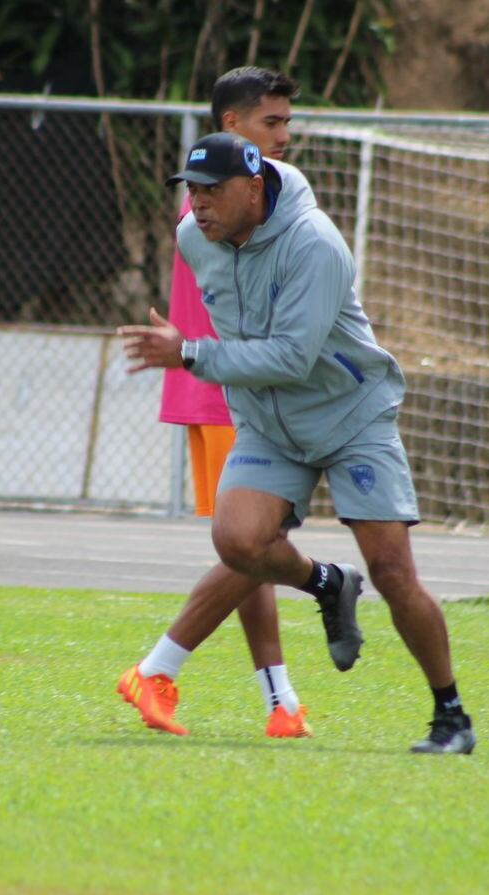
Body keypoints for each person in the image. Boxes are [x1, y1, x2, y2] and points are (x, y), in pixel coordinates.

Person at [116, 132, 476, 754]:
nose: (198, 206)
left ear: (255, 188)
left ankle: (451, 715)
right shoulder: (192, 239)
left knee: (393, 572)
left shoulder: (315, 244)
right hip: (269, 422)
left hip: (349, 416)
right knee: (238, 540)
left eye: (213, 191)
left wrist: (190, 353)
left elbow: (292, 355)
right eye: (192, 191)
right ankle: (328, 583)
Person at [160, 67, 310, 739]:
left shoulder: (246, 200)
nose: (285, 135)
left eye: (285, 122)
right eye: (270, 122)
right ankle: (158, 672)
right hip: (231, 392)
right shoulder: (215, 210)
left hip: (233, 390)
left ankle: (280, 704)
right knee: (251, 548)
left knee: (254, 551)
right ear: (231, 126)